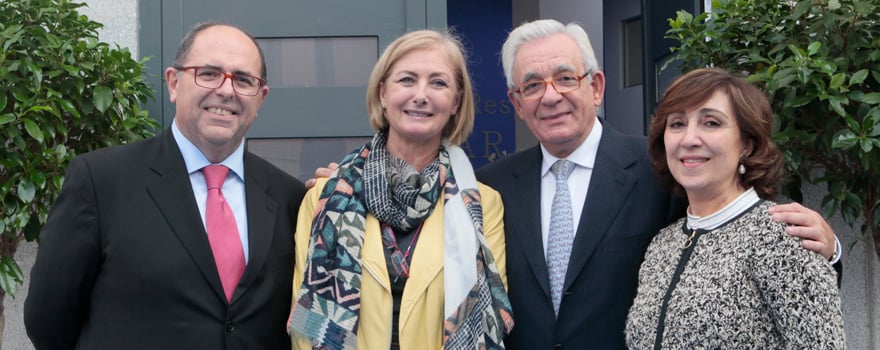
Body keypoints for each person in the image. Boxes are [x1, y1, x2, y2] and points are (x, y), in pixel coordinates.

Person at [473, 19, 841, 349]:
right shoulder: (492, 187)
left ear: (596, 87)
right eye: (532, 85)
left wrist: (829, 251)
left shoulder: (664, 171)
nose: (551, 96)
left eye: (566, 78)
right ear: (517, 103)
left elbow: (749, 234)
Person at [23, 22, 307, 349]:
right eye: (209, 73)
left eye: (243, 80)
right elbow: (48, 321)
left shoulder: (290, 198)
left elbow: (298, 314)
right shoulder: (100, 181)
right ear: (174, 83)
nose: (227, 90)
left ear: (260, 99)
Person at [287, 29, 513, 350]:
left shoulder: (482, 204)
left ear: (455, 102)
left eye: (438, 83)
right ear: (382, 94)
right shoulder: (327, 197)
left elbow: (488, 315)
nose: (421, 94)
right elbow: (306, 326)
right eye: (407, 80)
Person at [625, 67, 845, 348]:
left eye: (712, 123)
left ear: (747, 144)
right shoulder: (661, 245)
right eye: (677, 123)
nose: (689, 139)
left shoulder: (781, 237)